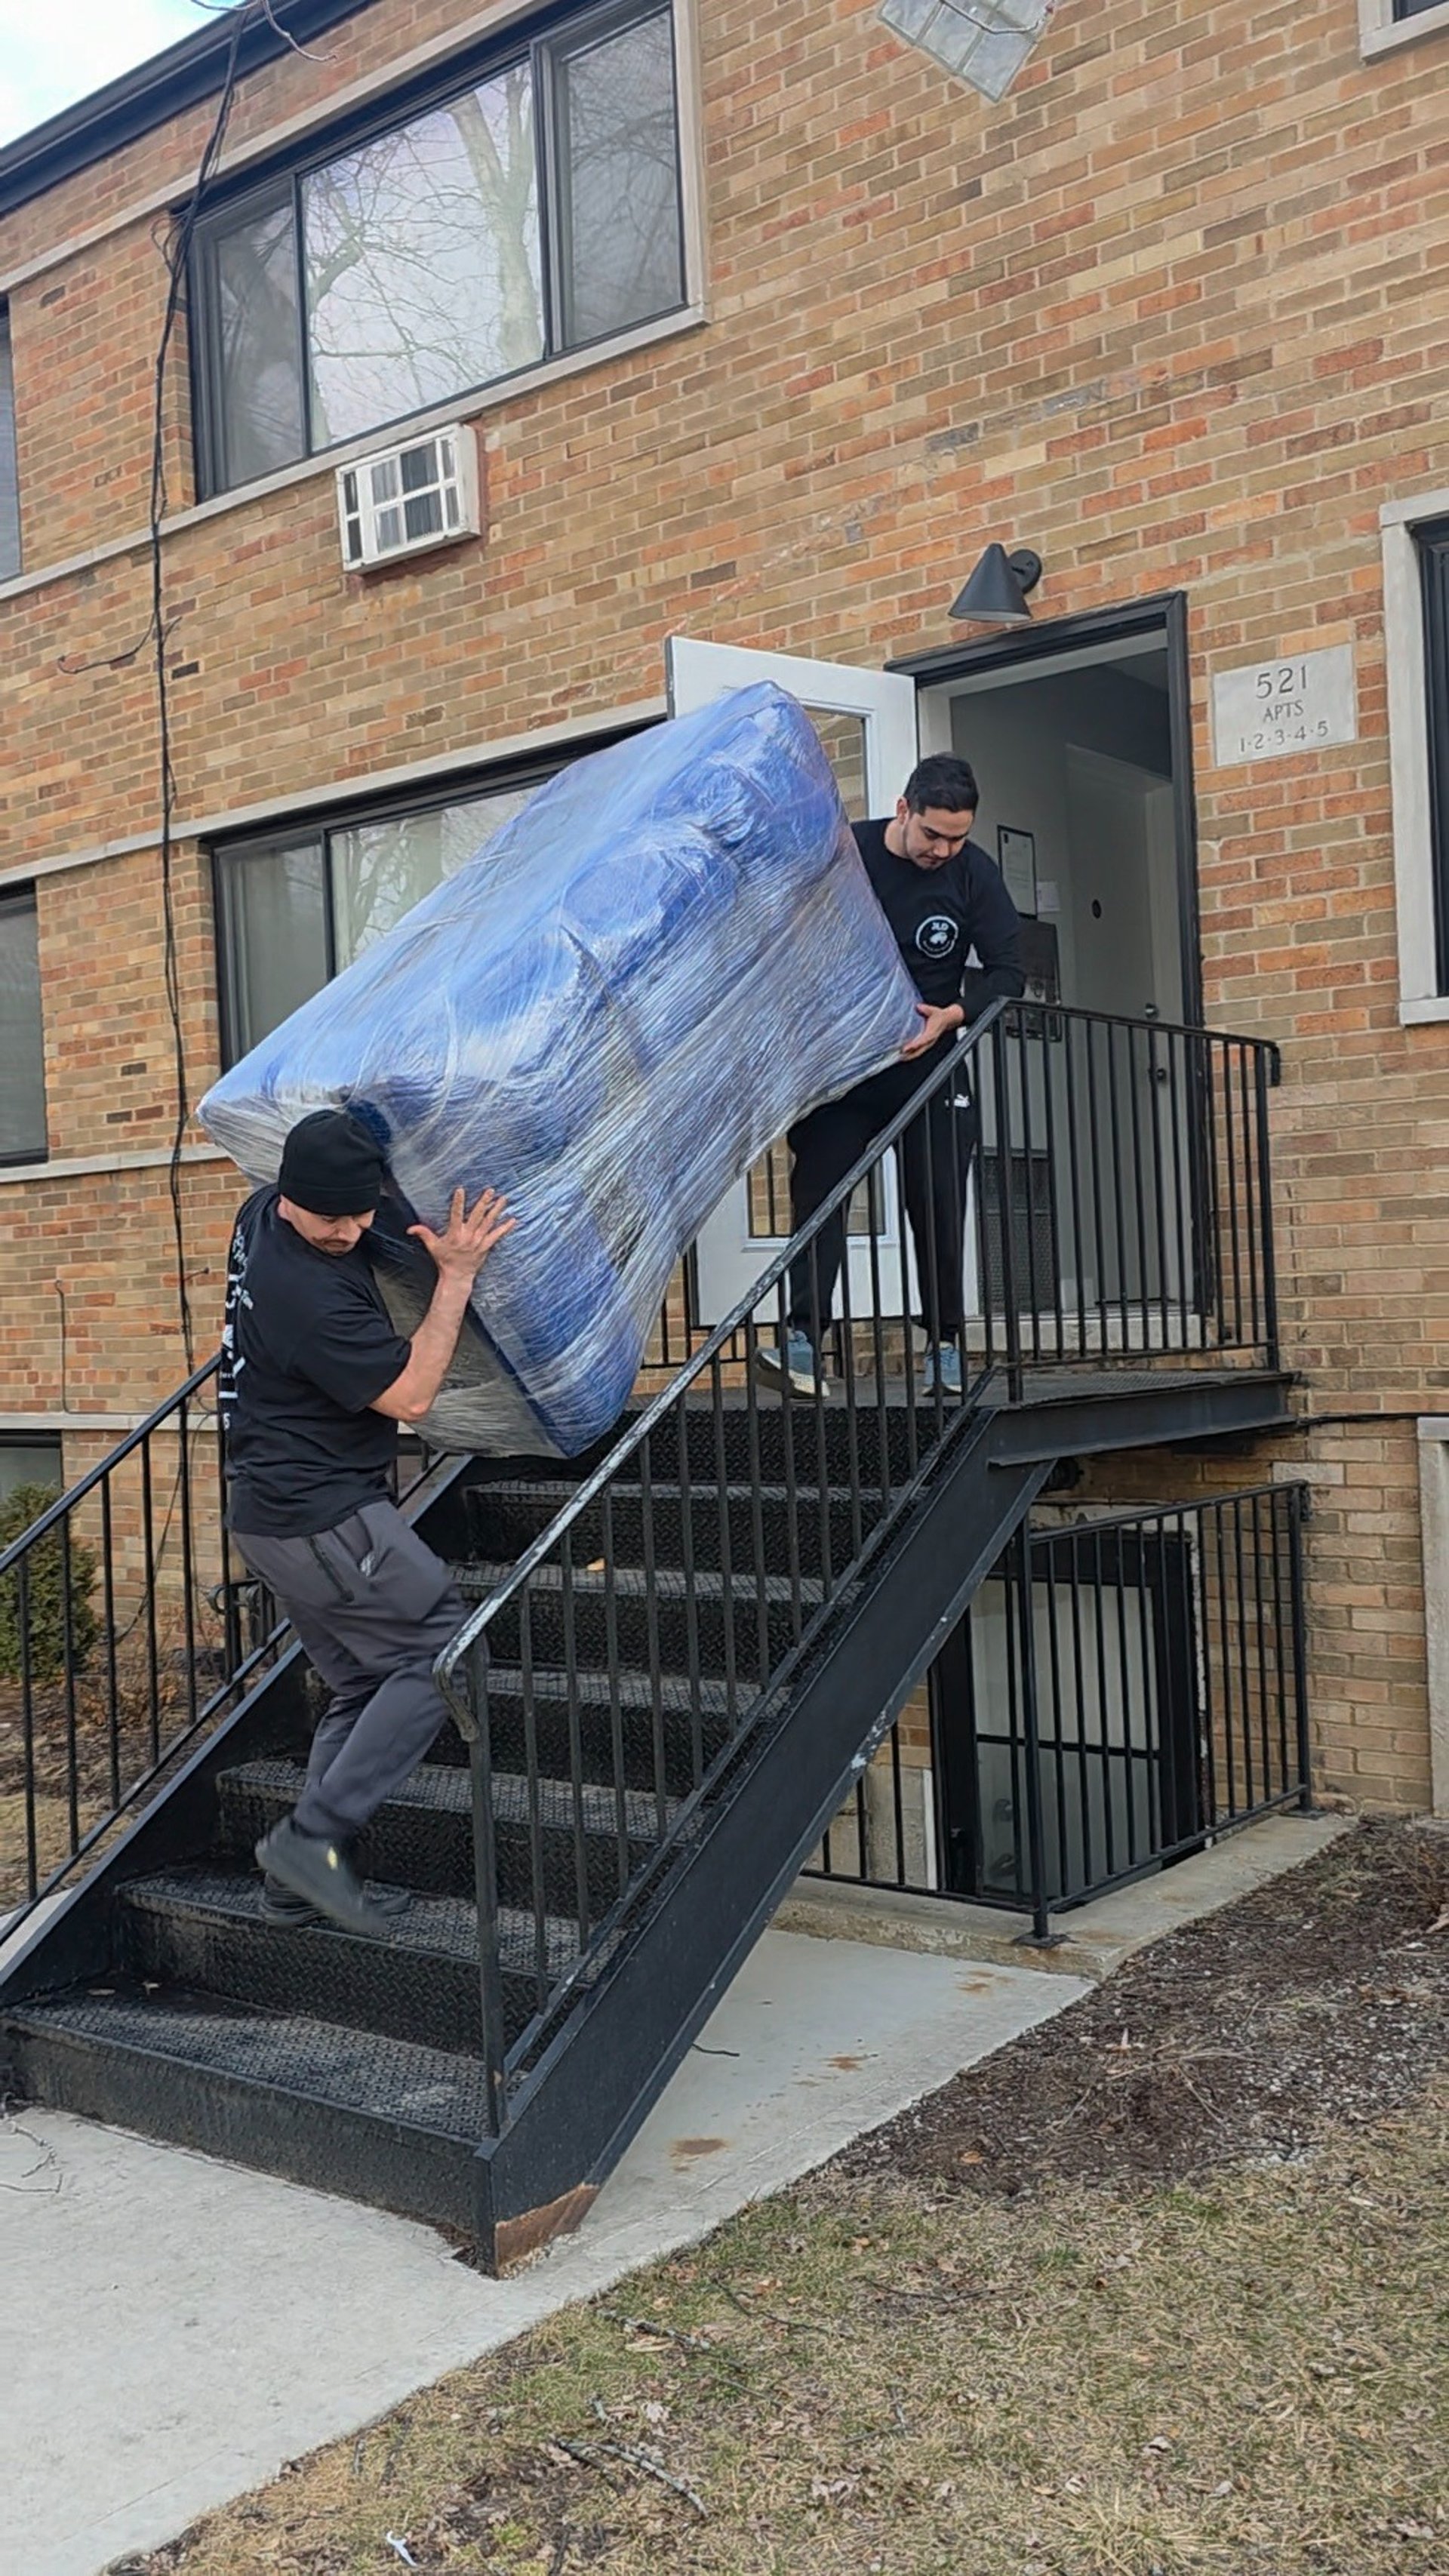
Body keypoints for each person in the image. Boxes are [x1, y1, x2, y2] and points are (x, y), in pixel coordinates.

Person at [218, 1107, 513, 1934]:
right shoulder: (303, 1293)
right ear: (292, 1202)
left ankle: (301, 1879)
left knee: (362, 1681)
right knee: (440, 1657)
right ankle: (307, 1842)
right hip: (325, 1515)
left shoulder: (259, 1211)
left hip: (273, 1512)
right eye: (332, 1218)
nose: (350, 1231)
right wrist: (454, 1276)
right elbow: (413, 1397)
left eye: (360, 1210)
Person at [755, 753, 1023, 1400]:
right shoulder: (847, 855)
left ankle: (947, 1345)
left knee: (936, 1203)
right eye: (933, 834)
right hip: (847, 1067)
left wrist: (954, 1014)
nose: (944, 849)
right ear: (904, 810)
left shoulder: (973, 874)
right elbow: (785, 935)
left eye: (957, 837)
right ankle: (802, 1340)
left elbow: (1009, 971)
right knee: (820, 1194)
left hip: (930, 1064)